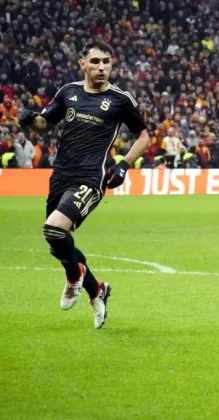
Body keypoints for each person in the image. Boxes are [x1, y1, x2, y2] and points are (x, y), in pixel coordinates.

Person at [18, 39, 150, 329]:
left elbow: (144, 136)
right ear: (83, 65)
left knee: (53, 229)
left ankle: (73, 277)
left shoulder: (120, 99)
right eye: (95, 62)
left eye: (106, 62)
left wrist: (125, 164)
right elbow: (45, 125)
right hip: (60, 175)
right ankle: (97, 289)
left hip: (91, 177)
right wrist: (30, 119)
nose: (101, 67)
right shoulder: (69, 92)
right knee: (58, 243)